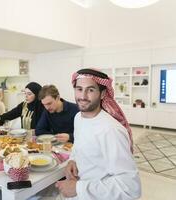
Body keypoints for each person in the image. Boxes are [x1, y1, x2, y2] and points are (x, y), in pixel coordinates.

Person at [56, 68, 141, 200]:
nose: (83, 96)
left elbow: (130, 187)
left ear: (102, 94)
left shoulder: (111, 130)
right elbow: (79, 145)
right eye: (79, 89)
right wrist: (73, 159)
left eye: (90, 90)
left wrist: (78, 188)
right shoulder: (78, 117)